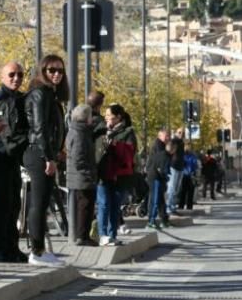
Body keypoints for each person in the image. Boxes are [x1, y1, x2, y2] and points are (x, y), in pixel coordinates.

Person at [0, 62, 30, 263]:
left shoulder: (22, 99)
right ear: (2, 76)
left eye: (20, 74)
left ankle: (12, 247)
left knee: (14, 202)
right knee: (1, 203)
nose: (16, 78)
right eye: (11, 74)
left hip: (13, 157)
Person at [23, 53, 68, 266]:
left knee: (41, 201)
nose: (57, 74)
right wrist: (49, 156)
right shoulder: (40, 93)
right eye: (52, 70)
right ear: (43, 71)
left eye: (60, 70)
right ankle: (37, 251)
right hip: (38, 154)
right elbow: (40, 129)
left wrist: (58, 151)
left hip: (45, 153)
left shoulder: (50, 95)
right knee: (39, 203)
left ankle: (39, 249)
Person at [97, 103, 137, 245]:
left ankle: (112, 234)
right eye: (106, 116)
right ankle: (102, 235)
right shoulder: (103, 129)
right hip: (104, 173)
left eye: (110, 116)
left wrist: (114, 144)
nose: (107, 118)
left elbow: (129, 153)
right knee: (103, 204)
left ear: (118, 117)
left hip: (120, 175)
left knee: (114, 206)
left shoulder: (128, 132)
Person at [66, 103, 98, 246]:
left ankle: (83, 235)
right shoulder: (79, 133)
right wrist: (88, 171)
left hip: (81, 175)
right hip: (82, 176)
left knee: (85, 204)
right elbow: (78, 157)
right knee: (85, 205)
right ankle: (82, 236)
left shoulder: (79, 131)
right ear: (86, 118)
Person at [146, 128, 172, 230]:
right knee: (155, 198)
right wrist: (164, 175)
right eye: (166, 136)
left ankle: (164, 220)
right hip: (155, 176)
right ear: (160, 136)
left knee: (160, 199)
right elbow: (160, 163)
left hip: (157, 176)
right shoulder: (159, 146)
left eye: (168, 136)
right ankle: (151, 221)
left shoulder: (161, 146)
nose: (168, 138)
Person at [166, 127, 186, 214]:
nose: (181, 134)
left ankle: (173, 207)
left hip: (180, 167)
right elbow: (169, 150)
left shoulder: (182, 142)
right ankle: (169, 207)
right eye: (179, 132)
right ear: (176, 133)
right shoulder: (174, 141)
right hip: (173, 167)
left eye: (183, 133)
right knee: (172, 188)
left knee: (177, 189)